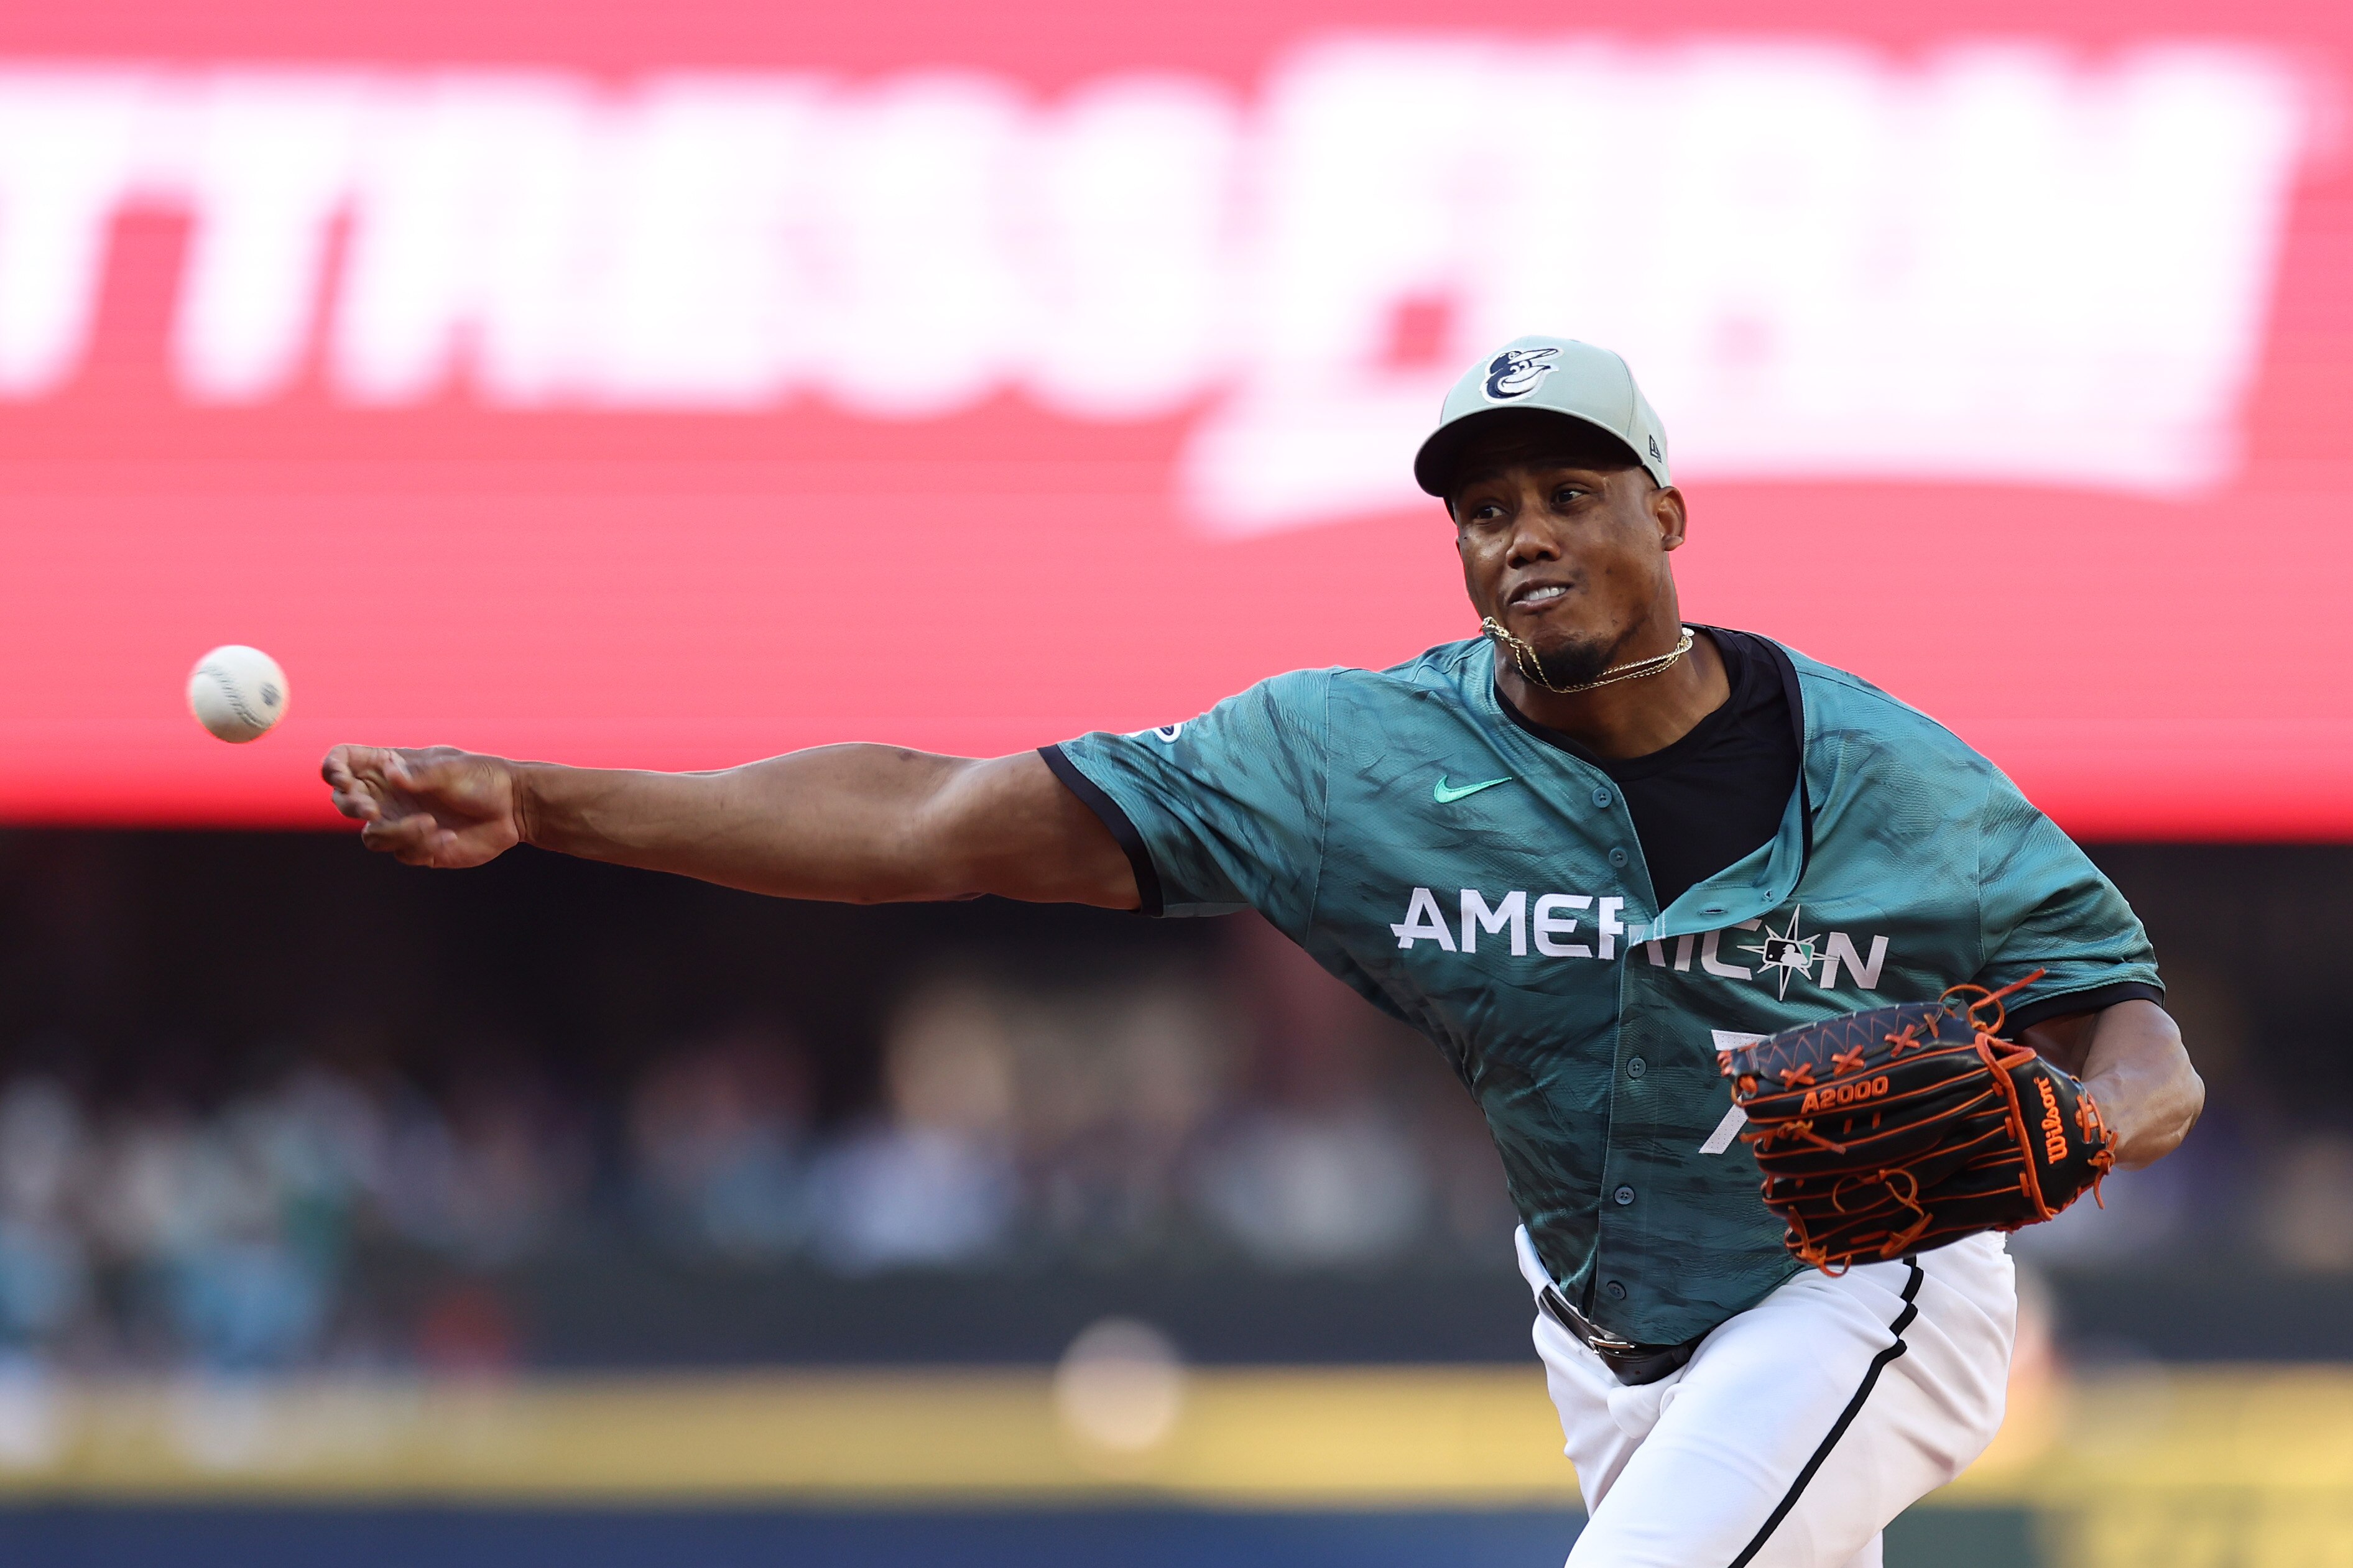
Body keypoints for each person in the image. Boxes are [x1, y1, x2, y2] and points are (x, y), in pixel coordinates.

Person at [322, 335, 2201, 1567]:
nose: (1521, 534)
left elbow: (2135, 1028)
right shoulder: (1352, 762)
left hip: (1863, 1277)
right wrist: (549, 800)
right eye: (1485, 508)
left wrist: (2091, 1127)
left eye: (1567, 491)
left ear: (1667, 513)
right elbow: (930, 817)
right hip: (1609, 1333)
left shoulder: (1882, 770)